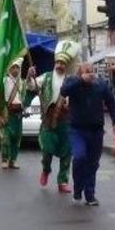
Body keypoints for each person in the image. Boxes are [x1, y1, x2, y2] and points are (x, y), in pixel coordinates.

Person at [60, 62, 115, 205]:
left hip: (96, 130)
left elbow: (111, 102)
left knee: (92, 163)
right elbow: (64, 91)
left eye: (92, 71)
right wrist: (81, 80)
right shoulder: (73, 82)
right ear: (80, 73)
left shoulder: (100, 85)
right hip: (77, 129)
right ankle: (77, 188)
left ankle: (90, 194)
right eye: (86, 71)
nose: (90, 74)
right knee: (80, 157)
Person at [26, 41, 79, 194]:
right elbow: (31, 87)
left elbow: (77, 97)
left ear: (66, 64)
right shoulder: (46, 77)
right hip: (49, 120)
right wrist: (30, 77)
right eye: (58, 62)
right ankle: (46, 170)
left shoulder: (71, 80)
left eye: (63, 63)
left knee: (67, 153)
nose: (60, 65)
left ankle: (62, 181)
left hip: (66, 120)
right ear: (54, 63)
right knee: (47, 151)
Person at [0, 57, 25, 170]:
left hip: (18, 115)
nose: (15, 70)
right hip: (7, 113)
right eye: (13, 67)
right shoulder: (4, 80)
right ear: (9, 69)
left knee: (16, 139)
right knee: (6, 138)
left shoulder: (22, 82)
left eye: (17, 68)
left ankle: (13, 160)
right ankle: (5, 160)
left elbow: (25, 97)